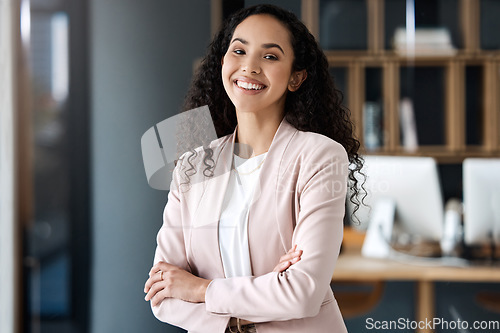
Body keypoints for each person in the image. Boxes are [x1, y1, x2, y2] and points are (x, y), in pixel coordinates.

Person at [144, 4, 363, 333]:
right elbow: (163, 295)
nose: (249, 67)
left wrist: (200, 289)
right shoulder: (193, 166)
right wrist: (265, 293)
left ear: (296, 77)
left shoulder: (319, 156)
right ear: (223, 64)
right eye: (239, 50)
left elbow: (301, 294)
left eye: (270, 56)